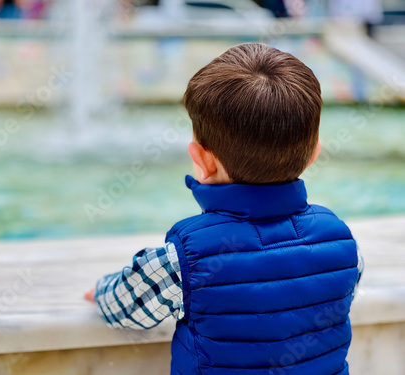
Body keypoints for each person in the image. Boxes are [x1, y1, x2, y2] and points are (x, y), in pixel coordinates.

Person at [85, 43, 363, 375]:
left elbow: (125, 307)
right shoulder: (341, 241)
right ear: (314, 153)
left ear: (201, 160)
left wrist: (100, 291)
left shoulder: (184, 257)